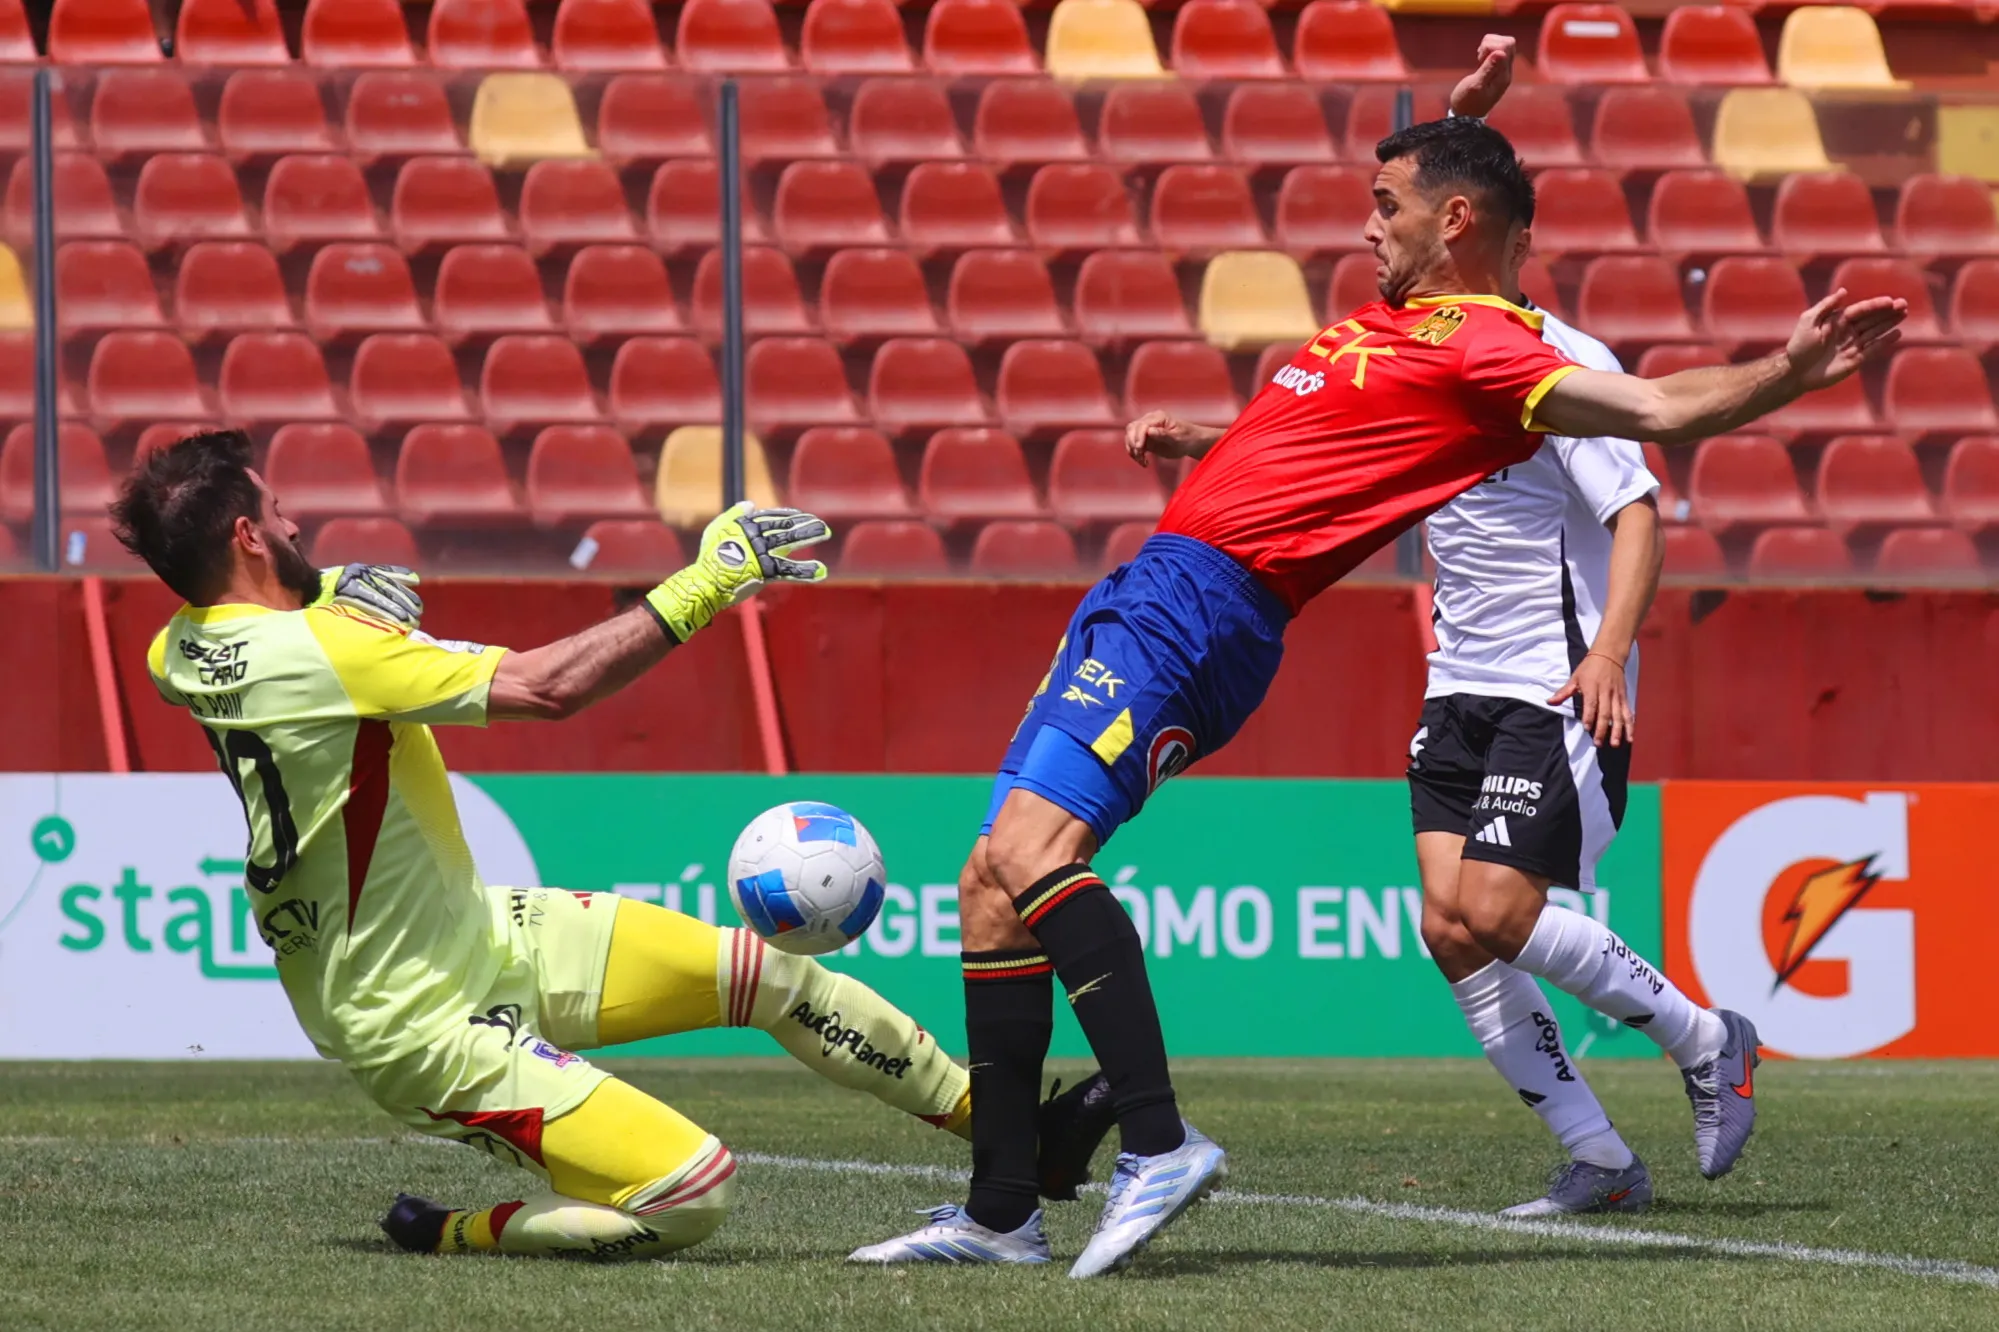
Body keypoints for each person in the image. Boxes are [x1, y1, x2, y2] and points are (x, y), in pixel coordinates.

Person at [852, 100, 1905, 1275]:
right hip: (1159, 588)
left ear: (1452, 223)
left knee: (1039, 857)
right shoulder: (1401, 325)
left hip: (1209, 609)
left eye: (1384, 207)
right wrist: (1473, 106)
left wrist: (1789, 372)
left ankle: (1157, 1140)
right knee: (989, 883)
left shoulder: (1492, 349)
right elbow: (1324, 424)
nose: (1365, 227)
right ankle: (1002, 1211)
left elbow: (1654, 417)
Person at [111, 430, 982, 1261]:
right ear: (246, 535)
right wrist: (708, 581)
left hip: (479, 934)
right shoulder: (328, 650)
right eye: (278, 510)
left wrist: (331, 585)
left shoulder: (177, 647)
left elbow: (268, 641)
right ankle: (452, 1231)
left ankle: (1011, 1131)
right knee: (690, 1192)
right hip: (417, 1026)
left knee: (770, 974)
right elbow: (547, 686)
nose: (296, 522)